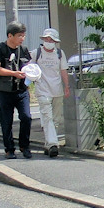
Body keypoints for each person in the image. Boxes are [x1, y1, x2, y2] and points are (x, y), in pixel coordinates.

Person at [0, 21, 33, 159]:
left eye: (23, 35)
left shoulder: (24, 49)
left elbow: (30, 66)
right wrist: (14, 73)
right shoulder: (0, 49)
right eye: (19, 35)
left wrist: (32, 74)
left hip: (22, 90)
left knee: (26, 117)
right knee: (6, 121)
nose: (22, 38)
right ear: (10, 35)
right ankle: (9, 149)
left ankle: (24, 146)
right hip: (5, 91)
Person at [31, 27, 70, 157]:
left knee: (56, 119)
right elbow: (30, 69)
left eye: (51, 39)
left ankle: (48, 144)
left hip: (57, 90)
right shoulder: (36, 53)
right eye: (47, 39)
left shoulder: (60, 53)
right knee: (47, 117)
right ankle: (53, 144)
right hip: (42, 90)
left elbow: (63, 70)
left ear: (55, 41)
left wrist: (67, 86)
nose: (49, 41)